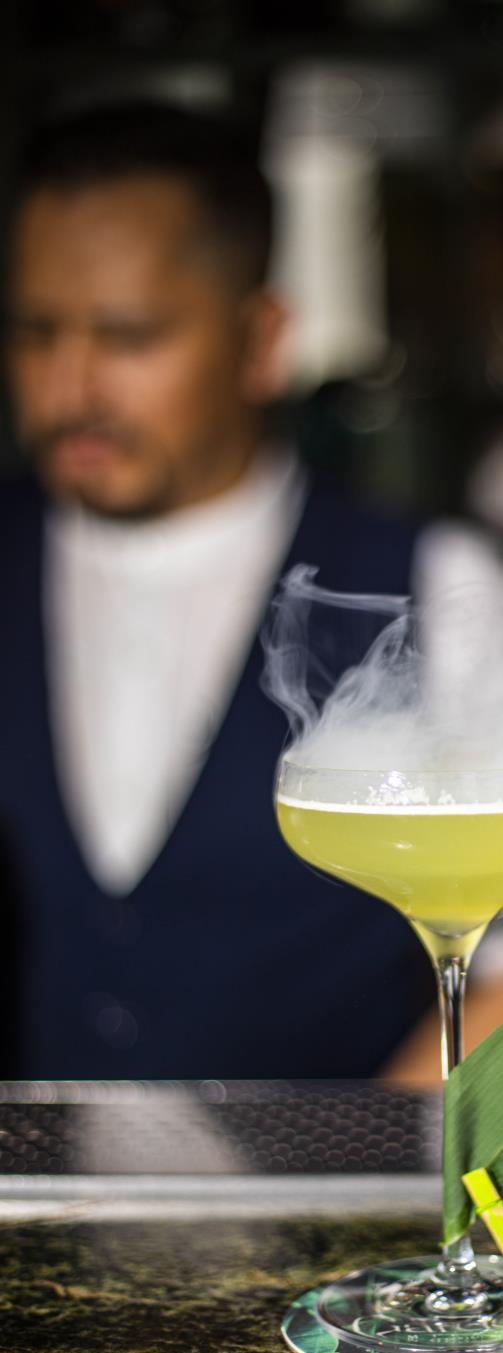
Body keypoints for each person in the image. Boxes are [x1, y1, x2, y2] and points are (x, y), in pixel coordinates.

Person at [0, 100, 436, 1079]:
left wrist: (368, 1156)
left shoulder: (429, 584)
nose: (70, 388)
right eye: (35, 331)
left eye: (130, 336)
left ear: (260, 339)